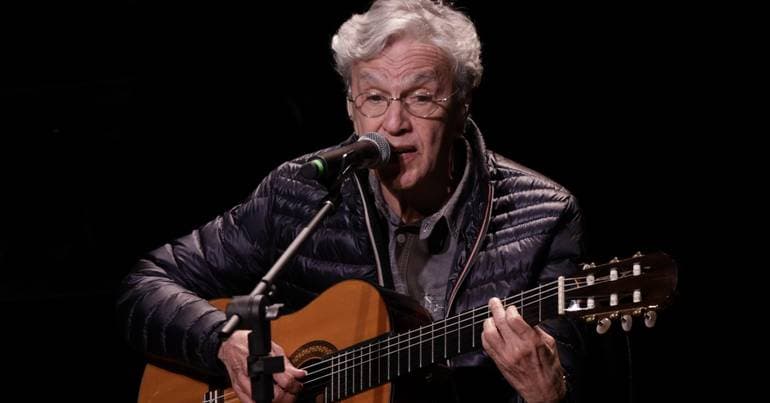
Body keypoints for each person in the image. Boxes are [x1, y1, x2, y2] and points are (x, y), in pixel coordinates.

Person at [118, 1, 585, 402]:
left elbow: (569, 378)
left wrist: (547, 394)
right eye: (375, 98)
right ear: (350, 107)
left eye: (421, 97)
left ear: (462, 105)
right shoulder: (302, 193)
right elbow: (146, 285)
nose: (393, 123)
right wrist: (223, 342)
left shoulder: (542, 216)